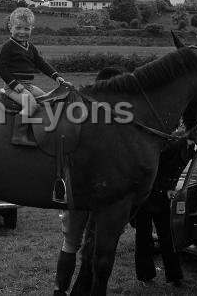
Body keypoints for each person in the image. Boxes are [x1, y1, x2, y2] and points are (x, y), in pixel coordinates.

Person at [53, 67, 123, 296]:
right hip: (87, 192)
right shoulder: (107, 119)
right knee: (81, 244)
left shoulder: (83, 113)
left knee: (72, 244)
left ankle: (61, 290)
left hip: (79, 191)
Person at [134, 112, 197, 286]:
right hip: (147, 194)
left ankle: (174, 276)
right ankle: (146, 276)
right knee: (144, 236)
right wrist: (163, 190)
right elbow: (151, 167)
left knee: (167, 237)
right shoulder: (174, 144)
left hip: (162, 196)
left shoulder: (189, 146)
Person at [0, 7, 70, 146]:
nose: (22, 32)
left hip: (28, 85)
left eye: (26, 29)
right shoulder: (7, 47)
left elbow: (41, 64)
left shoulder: (31, 48)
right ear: (10, 27)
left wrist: (56, 76)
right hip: (13, 87)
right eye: (18, 28)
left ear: (32, 28)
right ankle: (19, 135)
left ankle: (42, 127)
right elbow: (1, 68)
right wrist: (13, 84)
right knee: (31, 104)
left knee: (47, 99)